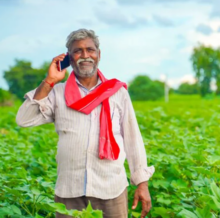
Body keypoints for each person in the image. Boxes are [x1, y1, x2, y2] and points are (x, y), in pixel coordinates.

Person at [16, 29, 154, 218]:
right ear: (69, 58)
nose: (85, 55)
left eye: (90, 49)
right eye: (77, 51)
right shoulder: (57, 93)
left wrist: (142, 184)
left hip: (110, 189)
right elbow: (24, 119)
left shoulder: (116, 92)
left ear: (98, 54)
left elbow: (132, 139)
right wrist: (49, 81)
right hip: (69, 191)